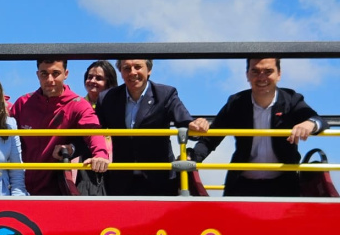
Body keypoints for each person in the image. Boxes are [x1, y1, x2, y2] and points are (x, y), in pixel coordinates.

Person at [191, 58, 328, 197]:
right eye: (255, 71)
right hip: (241, 186)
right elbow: (210, 140)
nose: (262, 77)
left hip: (283, 186)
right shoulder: (236, 103)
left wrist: (310, 123)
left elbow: (319, 121)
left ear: (279, 74)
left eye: (268, 71)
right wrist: (191, 159)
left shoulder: (291, 99)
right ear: (247, 75)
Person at [96, 59, 209, 196]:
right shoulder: (107, 98)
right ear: (120, 71)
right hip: (121, 181)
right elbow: (94, 132)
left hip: (160, 180)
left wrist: (197, 126)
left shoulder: (165, 94)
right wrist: (79, 150)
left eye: (138, 67)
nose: (132, 72)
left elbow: (185, 122)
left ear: (149, 70)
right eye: (126, 68)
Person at [10, 59, 110, 195]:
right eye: (44, 74)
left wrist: (100, 155)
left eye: (55, 73)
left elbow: (93, 130)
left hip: (54, 191)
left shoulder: (77, 104)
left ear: (66, 74)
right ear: (37, 75)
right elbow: (4, 136)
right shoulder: (23, 103)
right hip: (18, 188)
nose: (49, 79)